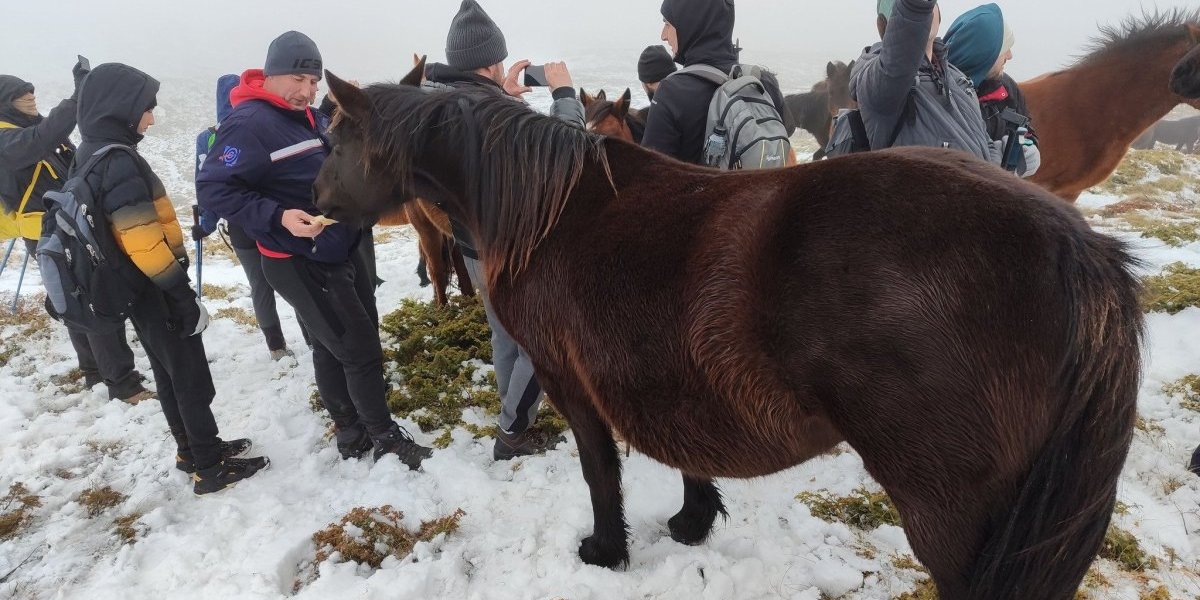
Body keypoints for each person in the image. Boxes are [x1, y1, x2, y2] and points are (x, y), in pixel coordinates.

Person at [196, 31, 432, 468]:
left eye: (315, 82)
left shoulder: (303, 114)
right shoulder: (249, 124)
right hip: (301, 260)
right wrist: (277, 217)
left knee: (330, 346)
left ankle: (350, 431)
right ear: (271, 74)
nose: (307, 91)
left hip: (339, 247)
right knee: (358, 349)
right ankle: (383, 437)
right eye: (299, 79)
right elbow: (213, 188)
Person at [74, 62, 267, 494]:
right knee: (190, 375)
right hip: (154, 285)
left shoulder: (90, 151)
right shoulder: (119, 161)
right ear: (121, 109)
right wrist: (179, 293)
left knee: (167, 370)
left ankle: (193, 451)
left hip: (135, 289)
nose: (151, 118)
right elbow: (141, 239)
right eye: (145, 108)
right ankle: (210, 466)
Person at [425, 0, 582, 460]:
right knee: (541, 340)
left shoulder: (442, 102)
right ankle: (513, 433)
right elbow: (567, 150)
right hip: (513, 249)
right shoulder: (487, 113)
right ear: (494, 62)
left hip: (474, 245)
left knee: (505, 332)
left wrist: (500, 95)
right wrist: (564, 94)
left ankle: (512, 413)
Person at [0, 68, 149, 403]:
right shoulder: (7, 138)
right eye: (21, 94)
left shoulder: (33, 131)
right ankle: (123, 385)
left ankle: (96, 373)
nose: (31, 96)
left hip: (67, 228)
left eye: (32, 90)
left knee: (76, 300)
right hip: (51, 233)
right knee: (94, 299)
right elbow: (42, 139)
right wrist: (77, 95)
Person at [853, 0, 1036, 176]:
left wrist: (1010, 155)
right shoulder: (881, 83)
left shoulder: (957, 78)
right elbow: (901, 51)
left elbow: (982, 151)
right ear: (882, 25)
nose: (925, 10)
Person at [194, 74, 298, 360]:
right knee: (295, 279)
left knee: (260, 286)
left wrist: (206, 225)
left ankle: (276, 347)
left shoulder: (208, 138)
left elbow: (208, 187)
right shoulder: (264, 125)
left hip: (240, 225)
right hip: (275, 219)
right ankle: (315, 337)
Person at [642, 0, 790, 165]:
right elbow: (787, 131)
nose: (663, 35)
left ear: (690, 23)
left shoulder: (672, 91)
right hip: (761, 189)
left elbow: (650, 175)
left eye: (668, 24)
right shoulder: (762, 81)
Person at [944, 3, 1041, 176]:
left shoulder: (1007, 88)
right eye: (1003, 49)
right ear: (983, 54)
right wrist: (989, 160)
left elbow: (1025, 129)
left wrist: (1027, 150)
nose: (1010, 55)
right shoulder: (939, 93)